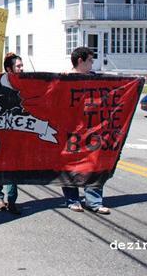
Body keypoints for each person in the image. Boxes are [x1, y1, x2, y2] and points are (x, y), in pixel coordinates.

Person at [62, 46, 111, 215]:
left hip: (92, 131)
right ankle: (72, 200)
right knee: (71, 166)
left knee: (94, 165)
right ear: (80, 61)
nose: (93, 63)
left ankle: (94, 202)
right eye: (90, 60)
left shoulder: (95, 79)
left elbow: (116, 87)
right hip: (71, 131)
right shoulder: (64, 79)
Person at [0, 53, 23, 215]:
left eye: (21, 66)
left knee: (13, 168)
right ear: (9, 69)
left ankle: (12, 200)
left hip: (17, 133)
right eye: (18, 66)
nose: (21, 69)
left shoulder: (27, 82)